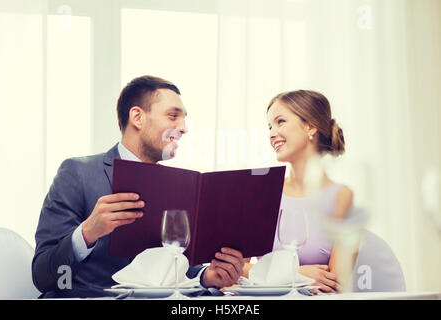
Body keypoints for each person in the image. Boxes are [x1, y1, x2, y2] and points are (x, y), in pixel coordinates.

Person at [32, 75, 244, 298]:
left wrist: (206, 276)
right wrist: (87, 233)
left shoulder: (178, 186)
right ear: (137, 117)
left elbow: (173, 266)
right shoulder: (78, 173)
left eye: (184, 119)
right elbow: (43, 276)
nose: (183, 128)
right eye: (173, 116)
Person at [243, 90, 355, 294]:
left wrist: (267, 274)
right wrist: (294, 274)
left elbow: (334, 282)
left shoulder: (342, 197)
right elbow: (232, 270)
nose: (271, 133)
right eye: (269, 126)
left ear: (310, 126)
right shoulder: (261, 193)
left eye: (280, 122)